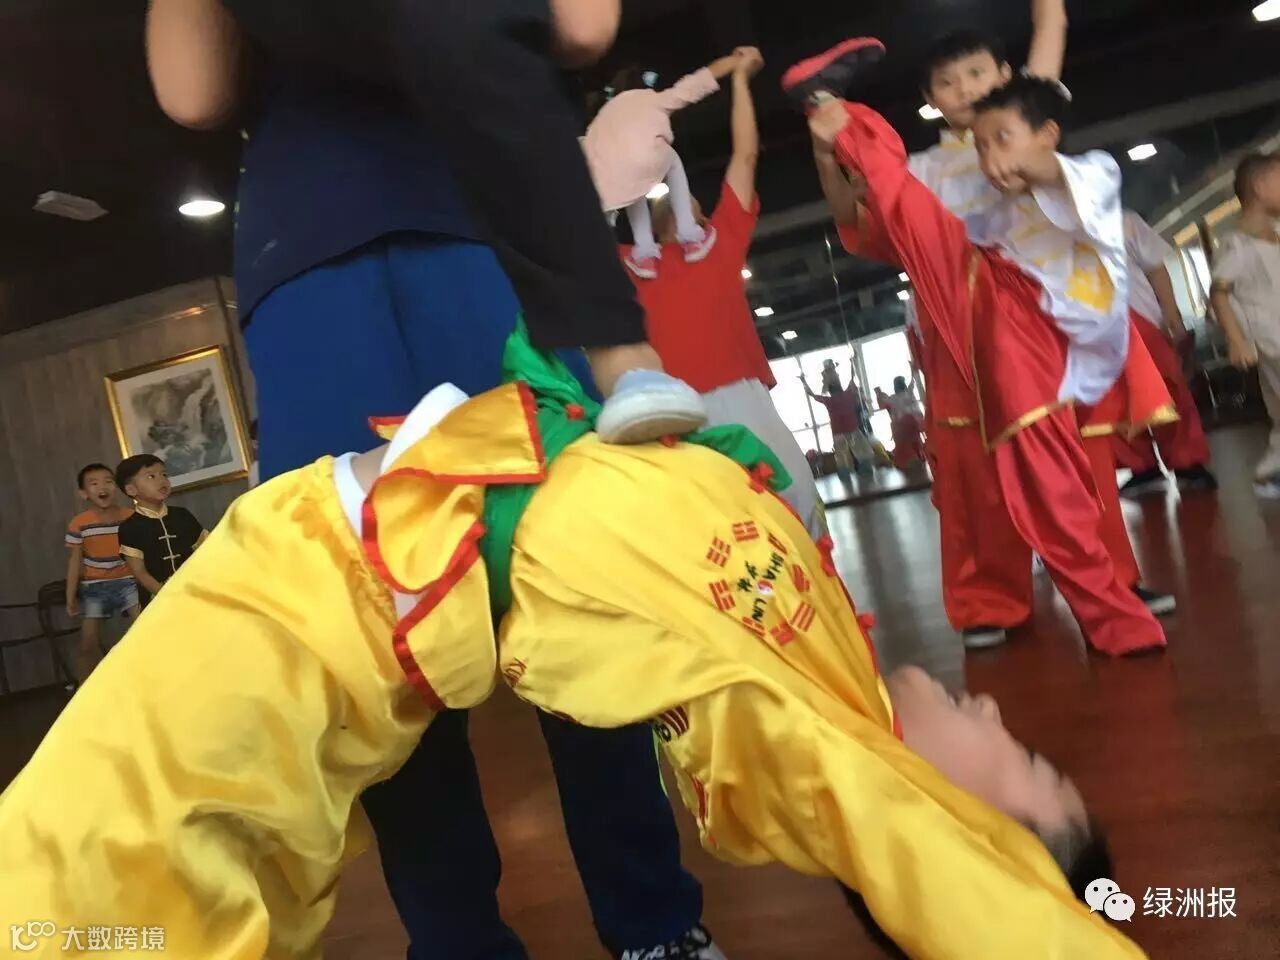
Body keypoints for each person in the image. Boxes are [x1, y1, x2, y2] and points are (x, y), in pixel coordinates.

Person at [0, 341, 1147, 960]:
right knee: (113, 876)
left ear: (969, 837)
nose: (996, 715)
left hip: (319, 599)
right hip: (323, 560)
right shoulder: (824, 666)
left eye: (1026, 766)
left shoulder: (816, 749)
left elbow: (1004, 920)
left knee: (76, 885)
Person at [144, 8, 719, 959]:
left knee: (563, 583)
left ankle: (641, 920)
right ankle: (511, 938)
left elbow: (582, 27)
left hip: (448, 223)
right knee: (385, 613)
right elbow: (193, 91)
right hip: (346, 239)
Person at [148, 0, 705, 446]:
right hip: (482, 199)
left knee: (346, 525)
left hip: (308, 217)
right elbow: (584, 27)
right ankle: (622, 354)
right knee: (556, 502)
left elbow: (193, 94)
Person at [802, 18, 1175, 648]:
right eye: (947, 82)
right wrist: (824, 154)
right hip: (964, 327)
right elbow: (858, 219)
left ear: (1007, 77)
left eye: (977, 73)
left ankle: (1115, 580)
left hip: (1051, 319)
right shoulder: (922, 167)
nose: (965, 88)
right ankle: (989, 601)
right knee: (976, 472)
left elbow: (1048, 44)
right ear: (931, 99)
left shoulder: (1019, 129)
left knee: (1084, 462)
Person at [618, 46, 824, 538]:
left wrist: (741, 81)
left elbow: (746, 154)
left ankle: (816, 581)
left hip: (718, 401)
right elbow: (577, 215)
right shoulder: (633, 262)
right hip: (679, 410)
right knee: (739, 524)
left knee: (788, 511)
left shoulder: (709, 247)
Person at [584, 53, 745, 279]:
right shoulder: (650, 99)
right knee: (672, 160)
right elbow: (694, 85)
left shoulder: (602, 117)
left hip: (605, 184)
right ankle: (690, 235)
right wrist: (734, 60)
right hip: (641, 163)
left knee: (633, 188)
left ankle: (645, 253)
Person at [1116, 209, 1217, 497]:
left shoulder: (1123, 220)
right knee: (1115, 401)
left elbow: (1155, 268)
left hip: (1142, 321)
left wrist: (1171, 312)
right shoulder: (1046, 228)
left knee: (1168, 390)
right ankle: (1141, 466)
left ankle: (1188, 460)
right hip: (1089, 332)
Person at [1210, 152, 1280, 501]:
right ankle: (1271, 473)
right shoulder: (1237, 244)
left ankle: (1272, 472)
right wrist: (1236, 339)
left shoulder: (1274, 238)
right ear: (1259, 187)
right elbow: (1219, 291)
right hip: (1271, 338)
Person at [63, 463, 140, 682]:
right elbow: (74, 562)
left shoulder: (131, 516)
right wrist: (70, 597)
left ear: (116, 487)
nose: (102, 487)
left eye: (108, 481)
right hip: (95, 586)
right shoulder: (80, 523)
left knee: (145, 629)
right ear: (84, 493)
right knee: (88, 644)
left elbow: (142, 553)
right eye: (94, 483)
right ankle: (83, 692)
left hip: (129, 581)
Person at [116, 455, 208, 600]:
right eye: (151, 476)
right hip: (159, 599)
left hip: (196, 590)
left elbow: (207, 551)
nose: (162, 480)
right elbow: (140, 573)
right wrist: (167, 598)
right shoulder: (129, 527)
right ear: (131, 489)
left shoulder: (182, 515)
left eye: (164, 475)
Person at [803, 365, 873, 480]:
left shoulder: (828, 400)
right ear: (840, 386)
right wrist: (852, 363)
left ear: (830, 391)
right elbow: (852, 377)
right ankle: (865, 470)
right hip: (852, 428)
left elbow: (811, 394)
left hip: (838, 432)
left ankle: (844, 474)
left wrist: (803, 381)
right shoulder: (848, 394)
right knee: (860, 450)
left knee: (841, 455)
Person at [877, 376, 927, 470]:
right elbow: (912, 385)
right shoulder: (909, 393)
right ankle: (919, 456)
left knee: (903, 445)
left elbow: (883, 404)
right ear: (904, 385)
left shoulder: (892, 398)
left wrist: (879, 393)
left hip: (899, 428)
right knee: (915, 442)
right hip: (913, 424)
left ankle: (904, 461)